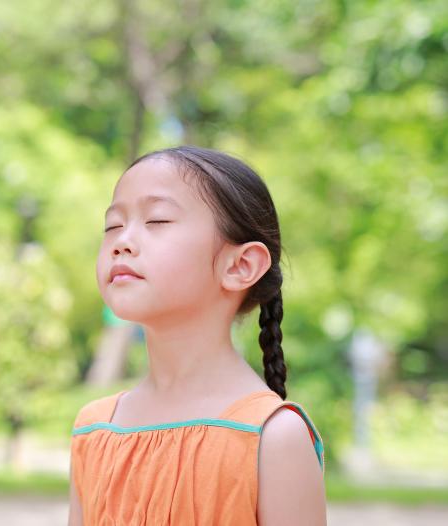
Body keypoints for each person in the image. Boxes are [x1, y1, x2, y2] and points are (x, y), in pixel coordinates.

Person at [68, 146, 326, 525]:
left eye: (156, 221)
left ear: (240, 265)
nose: (121, 241)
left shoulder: (274, 437)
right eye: (113, 225)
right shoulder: (94, 427)